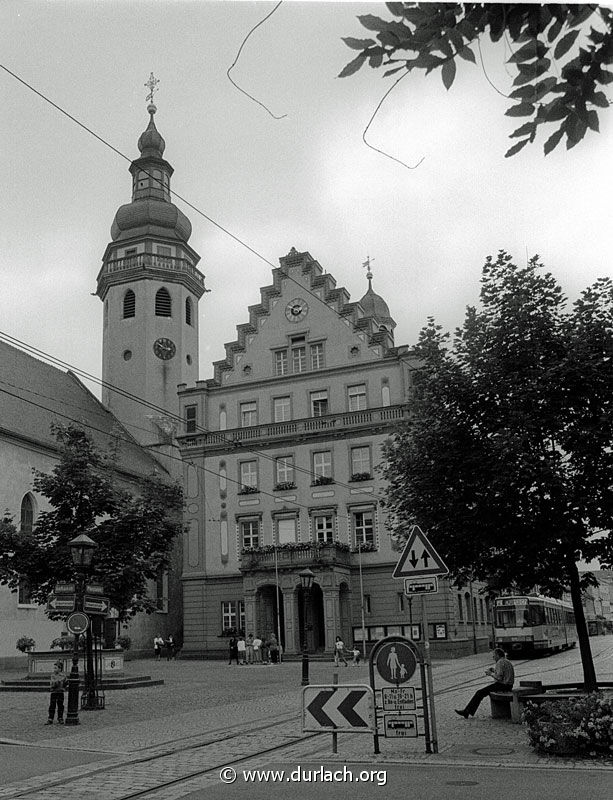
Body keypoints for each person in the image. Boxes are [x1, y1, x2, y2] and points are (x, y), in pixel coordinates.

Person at [455, 647, 515, 718]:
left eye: (494, 655)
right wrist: (494, 670)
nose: (493, 657)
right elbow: (502, 673)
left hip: (502, 686)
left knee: (479, 692)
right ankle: (467, 711)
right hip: (509, 686)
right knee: (481, 692)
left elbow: (499, 678)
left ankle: (467, 712)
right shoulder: (507, 661)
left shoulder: (499, 662)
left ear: (498, 655)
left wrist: (490, 674)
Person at [46, 660, 67, 725]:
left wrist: (64, 683)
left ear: (60, 669)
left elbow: (65, 683)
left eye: (56, 668)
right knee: (52, 705)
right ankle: (50, 718)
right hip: (54, 692)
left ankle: (60, 717)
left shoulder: (63, 676)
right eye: (54, 668)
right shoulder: (53, 676)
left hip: (60, 692)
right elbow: (52, 683)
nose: (54, 669)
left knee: (60, 705)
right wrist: (58, 682)